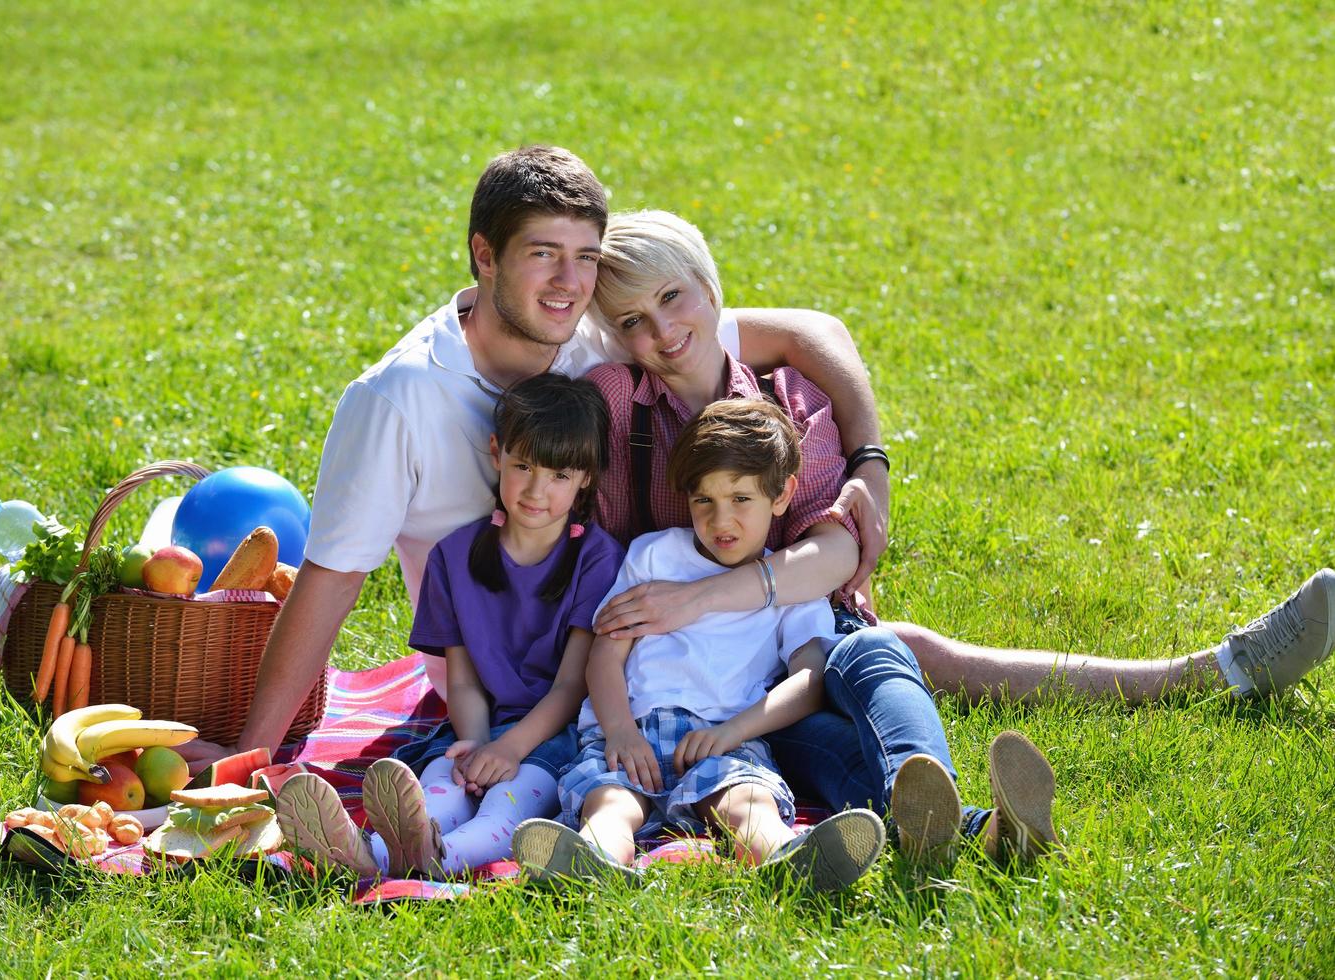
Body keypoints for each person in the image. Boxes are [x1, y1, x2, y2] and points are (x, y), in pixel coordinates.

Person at [574, 208, 1333, 848]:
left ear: (711, 294)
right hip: (691, 686)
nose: (663, 332)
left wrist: (704, 599)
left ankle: (1206, 672)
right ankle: (974, 831)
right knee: (844, 742)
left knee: (885, 649)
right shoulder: (614, 404)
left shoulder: (787, 397)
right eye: (633, 322)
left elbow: (833, 549)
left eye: (674, 299)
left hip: (794, 651)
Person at [231, 146, 893, 756]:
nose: (568, 282)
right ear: (484, 256)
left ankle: (950, 776)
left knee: (856, 656)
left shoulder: (604, 332)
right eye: (542, 254)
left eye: (585, 257)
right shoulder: (397, 398)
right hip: (500, 690)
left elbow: (812, 330)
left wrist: (869, 463)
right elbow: (333, 576)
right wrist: (248, 753)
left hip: (641, 636)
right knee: (841, 674)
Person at [511, 400, 1058, 892]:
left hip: (724, 734)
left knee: (749, 807)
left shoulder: (790, 585)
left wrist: (734, 730)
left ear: (783, 495)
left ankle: (793, 858)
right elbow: (606, 652)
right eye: (702, 500)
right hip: (634, 728)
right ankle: (592, 861)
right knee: (610, 803)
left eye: (741, 498)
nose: (720, 519)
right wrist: (620, 731)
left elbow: (811, 679)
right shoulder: (655, 555)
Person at [275, 374, 625, 878]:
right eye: (523, 465)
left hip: (553, 738)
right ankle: (371, 849)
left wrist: (507, 748)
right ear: (495, 452)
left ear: (587, 478)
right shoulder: (454, 557)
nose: (536, 490)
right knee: (441, 790)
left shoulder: (596, 559)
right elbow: (461, 680)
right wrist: (477, 744)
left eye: (559, 475)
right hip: (472, 726)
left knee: (503, 807)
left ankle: (415, 861)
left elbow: (573, 686)